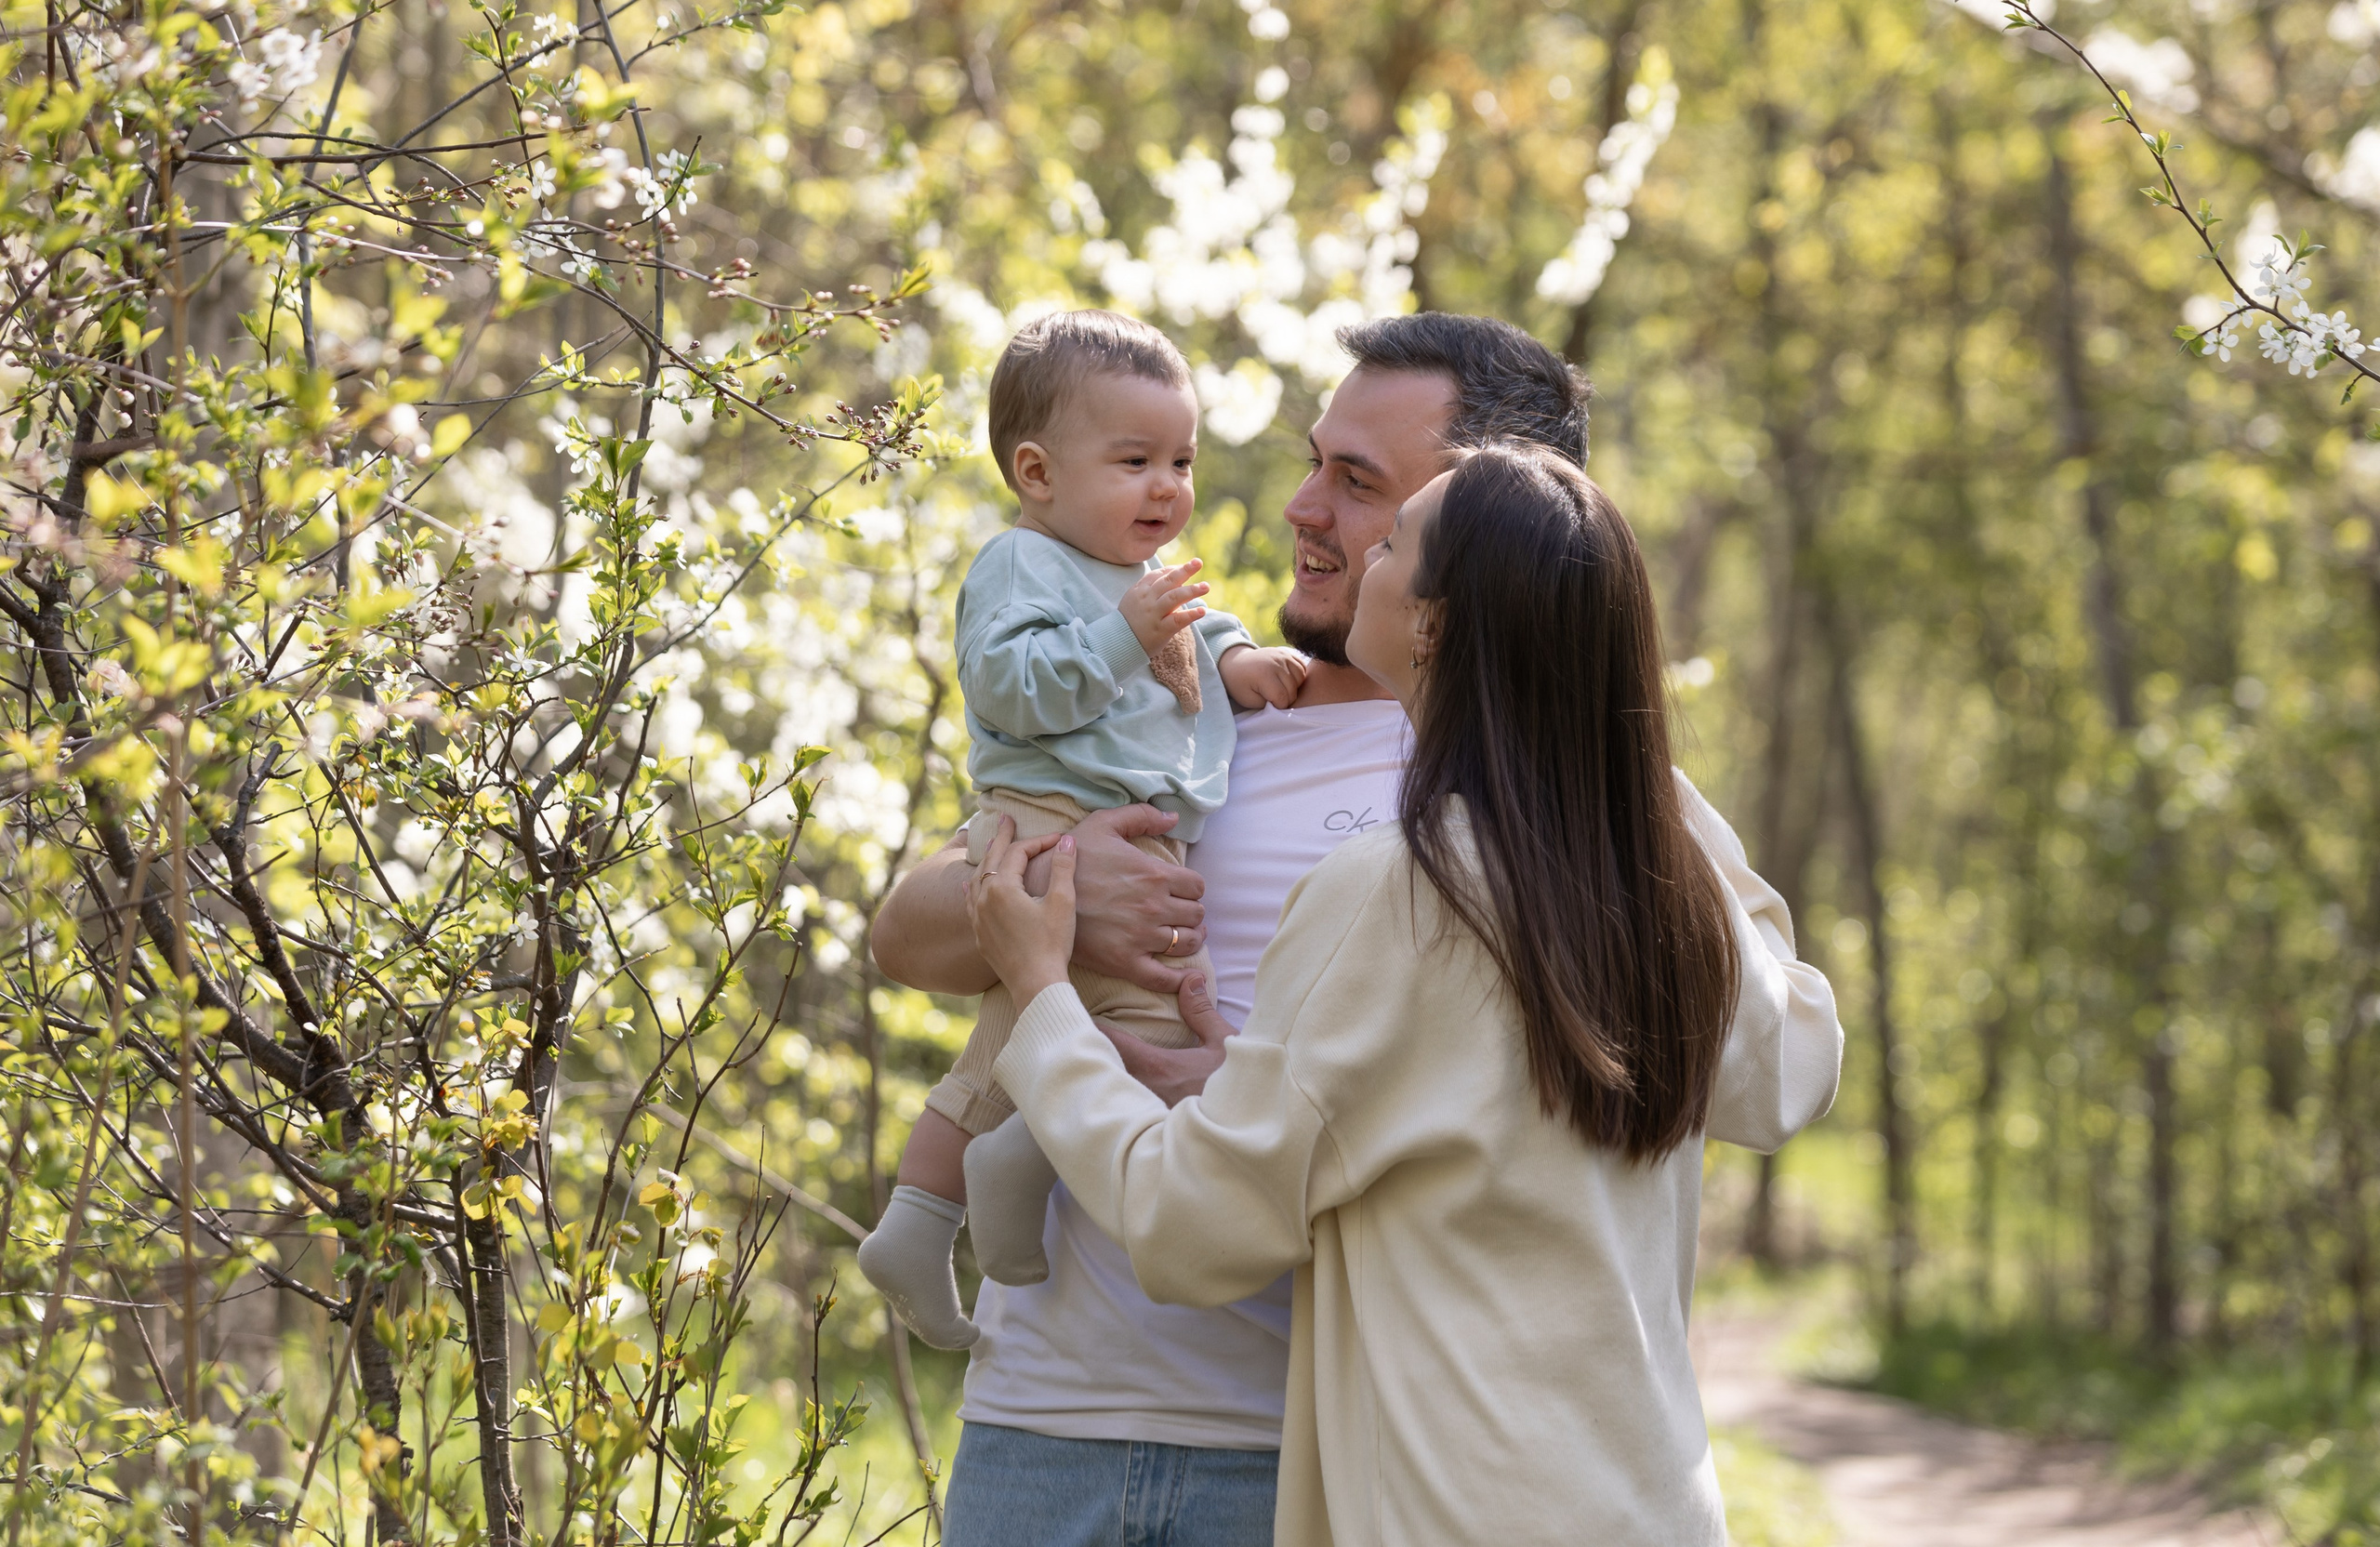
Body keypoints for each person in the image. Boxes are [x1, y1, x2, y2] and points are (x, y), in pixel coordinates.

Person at [867, 312, 1840, 1546]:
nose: (1300, 507)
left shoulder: (1547, 799)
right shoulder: (1204, 710)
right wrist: (1061, 890)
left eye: (1359, 483)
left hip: (1314, 1454)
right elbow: (907, 937)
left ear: (1498, 520)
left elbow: (1774, 1063)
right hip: (1044, 1424)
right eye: (1316, 459)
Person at [857, 310, 1309, 1351]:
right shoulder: (1024, 566)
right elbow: (1012, 688)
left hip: (1115, 824)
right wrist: (1122, 635)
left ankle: (924, 1217)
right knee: (1141, 1024)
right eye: (1136, 459)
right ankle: (1013, 1163)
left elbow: (1209, 634)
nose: (1168, 486)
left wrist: (1238, 667)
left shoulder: (1140, 577)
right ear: (1038, 472)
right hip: (1052, 816)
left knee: (1024, 1026)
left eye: (1183, 460)